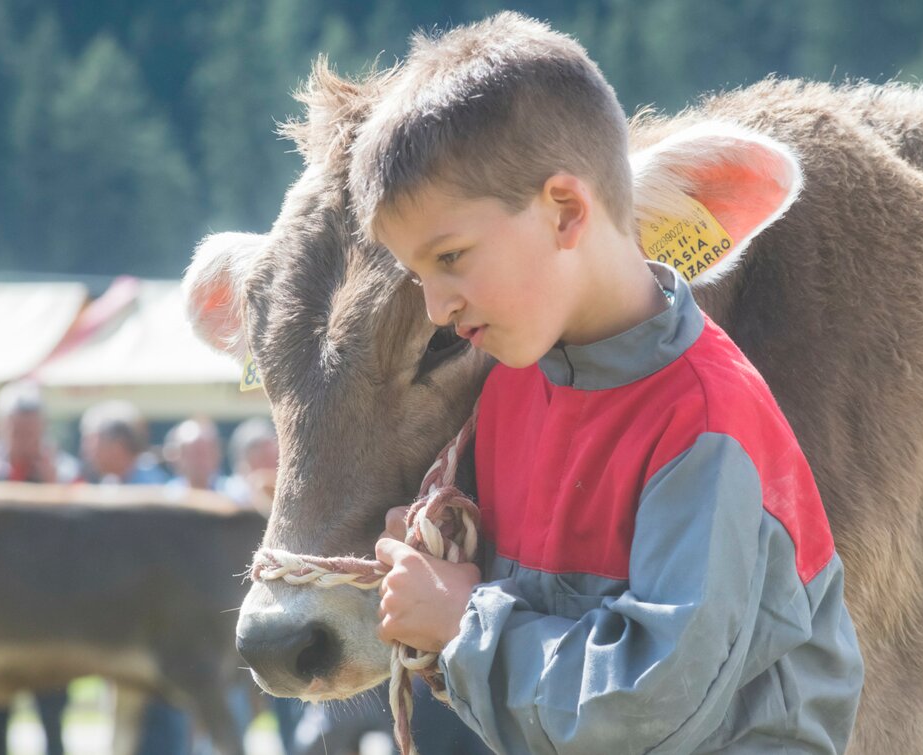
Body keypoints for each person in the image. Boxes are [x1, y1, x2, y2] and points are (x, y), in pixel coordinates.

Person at [358, 13, 864, 754]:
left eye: (452, 256)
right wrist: (443, 558)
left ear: (564, 211)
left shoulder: (705, 420)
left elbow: (644, 709)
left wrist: (464, 620)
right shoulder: (507, 394)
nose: (438, 307)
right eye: (417, 274)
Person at [0, 381, 79, 755]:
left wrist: (56, 487)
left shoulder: (64, 472)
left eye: (31, 429)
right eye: (16, 429)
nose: (24, 437)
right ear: (0, 428)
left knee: (53, 725)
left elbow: (85, 540)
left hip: (49, 623)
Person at [77, 401, 190, 755]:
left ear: (116, 444)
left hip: (157, 640)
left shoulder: (154, 492)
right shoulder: (111, 488)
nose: (86, 450)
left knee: (160, 727)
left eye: (92, 441)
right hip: (125, 634)